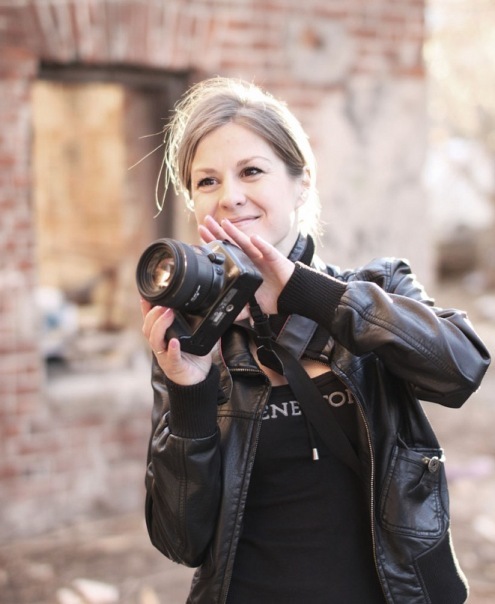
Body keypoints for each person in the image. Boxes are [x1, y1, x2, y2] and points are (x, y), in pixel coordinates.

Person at [140, 77, 490, 604]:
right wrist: (190, 391)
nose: (230, 196)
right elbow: (180, 541)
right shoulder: (191, 339)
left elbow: (462, 368)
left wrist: (310, 294)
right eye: (207, 181)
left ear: (302, 181)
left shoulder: (377, 288)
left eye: (251, 171)